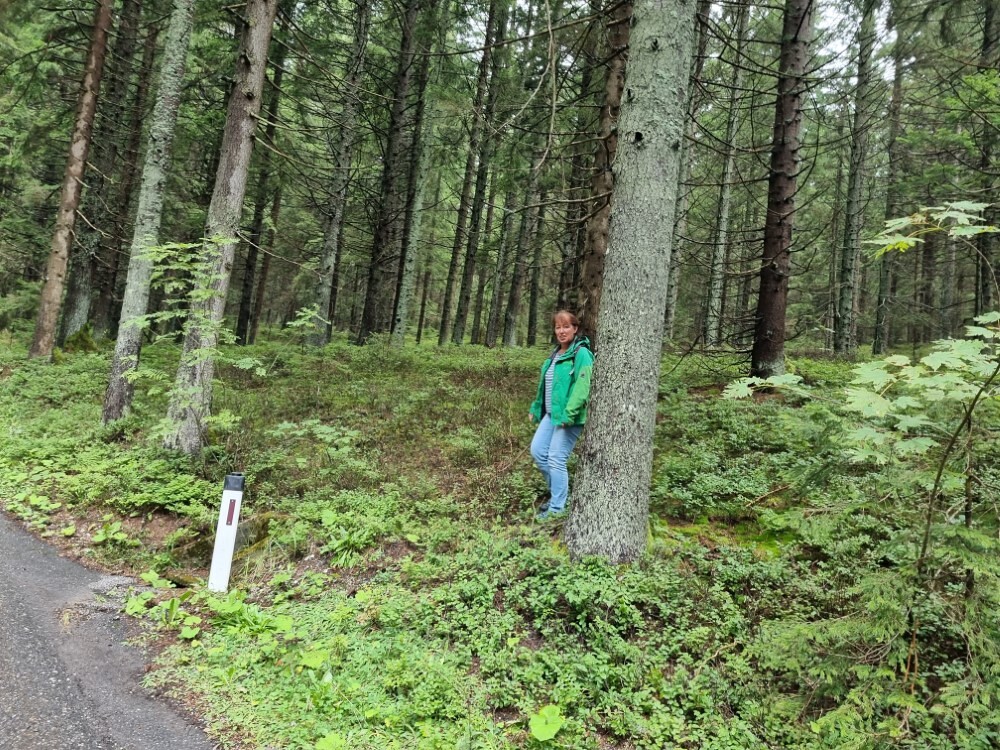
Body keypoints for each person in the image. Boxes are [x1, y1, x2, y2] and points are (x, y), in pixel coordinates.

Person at [528, 310, 594, 520]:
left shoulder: (581, 353)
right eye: (558, 327)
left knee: (556, 458)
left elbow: (583, 386)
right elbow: (545, 387)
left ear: (575, 329)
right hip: (551, 415)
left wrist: (569, 413)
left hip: (569, 417)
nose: (562, 331)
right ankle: (559, 494)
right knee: (538, 452)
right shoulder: (554, 355)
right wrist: (535, 408)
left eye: (566, 326)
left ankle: (557, 509)